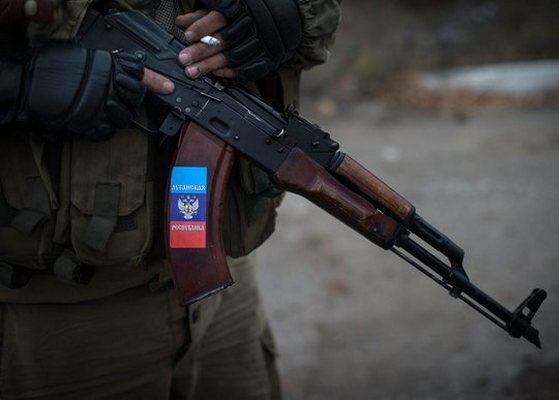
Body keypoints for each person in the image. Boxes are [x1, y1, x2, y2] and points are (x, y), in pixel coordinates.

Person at [0, 0, 341, 398]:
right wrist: (18, 87)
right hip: (60, 323)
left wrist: (293, 11)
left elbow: (320, 14)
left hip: (223, 285)